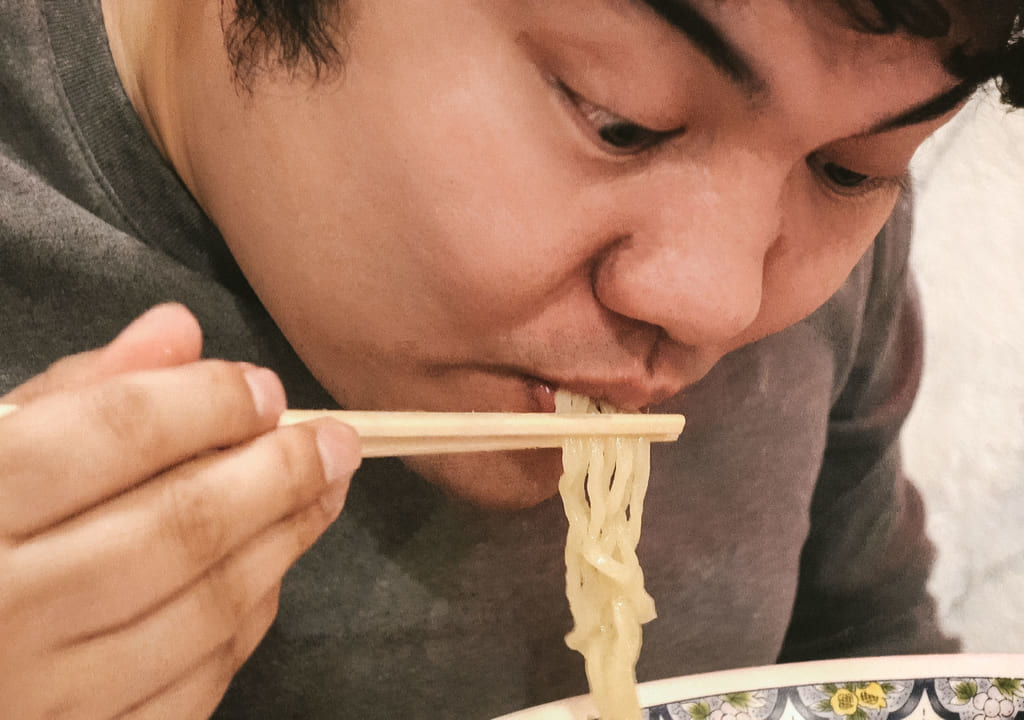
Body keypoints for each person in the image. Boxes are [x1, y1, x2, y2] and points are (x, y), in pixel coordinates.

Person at [1, 0, 1022, 717]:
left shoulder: (810, 243)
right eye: (618, 119)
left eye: (850, 169)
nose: (720, 301)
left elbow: (861, 657)